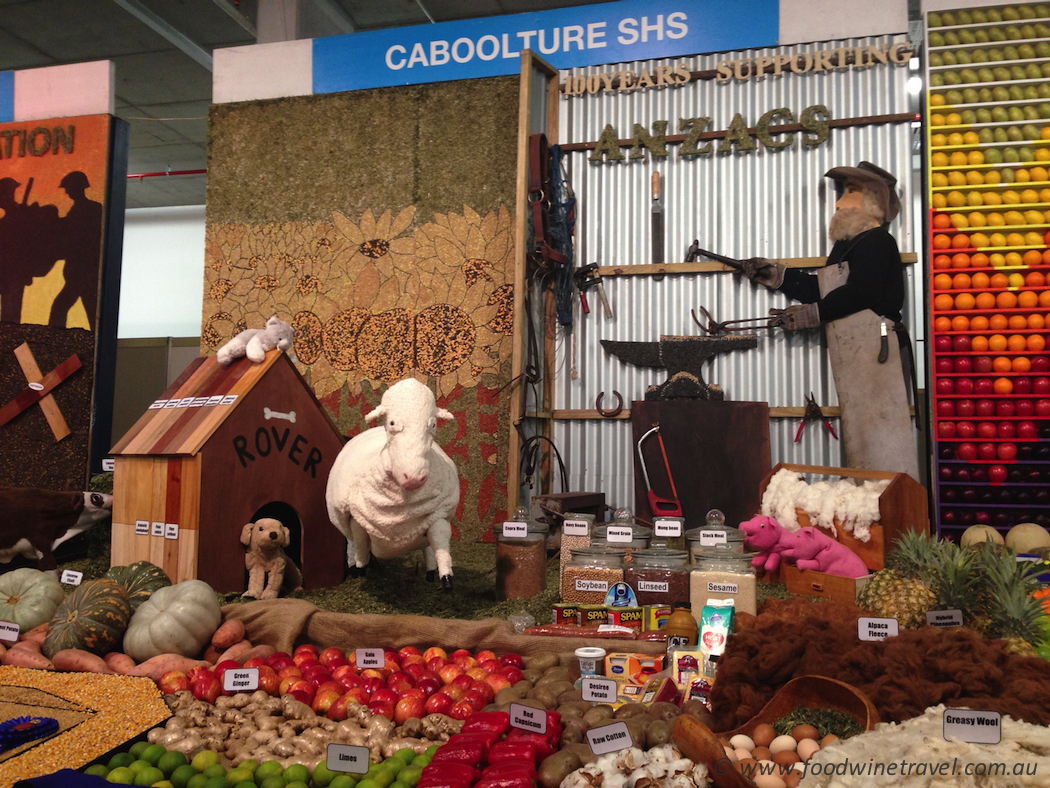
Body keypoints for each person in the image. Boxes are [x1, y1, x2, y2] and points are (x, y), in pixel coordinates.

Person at [741, 162, 919, 480]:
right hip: (856, 353)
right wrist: (778, 276)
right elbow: (823, 290)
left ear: (873, 200)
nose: (838, 203)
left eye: (849, 192)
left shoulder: (877, 242)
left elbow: (860, 293)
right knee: (864, 440)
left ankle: (895, 513)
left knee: (883, 439)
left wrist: (815, 314)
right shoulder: (846, 247)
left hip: (877, 351)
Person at [49, 170, 104, 329]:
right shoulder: (84, 209)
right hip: (80, 270)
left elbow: (79, 236)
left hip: (83, 270)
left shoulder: (89, 209)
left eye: (68, 188)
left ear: (76, 187)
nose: (66, 191)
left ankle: (55, 340)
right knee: (89, 308)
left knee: (61, 307)